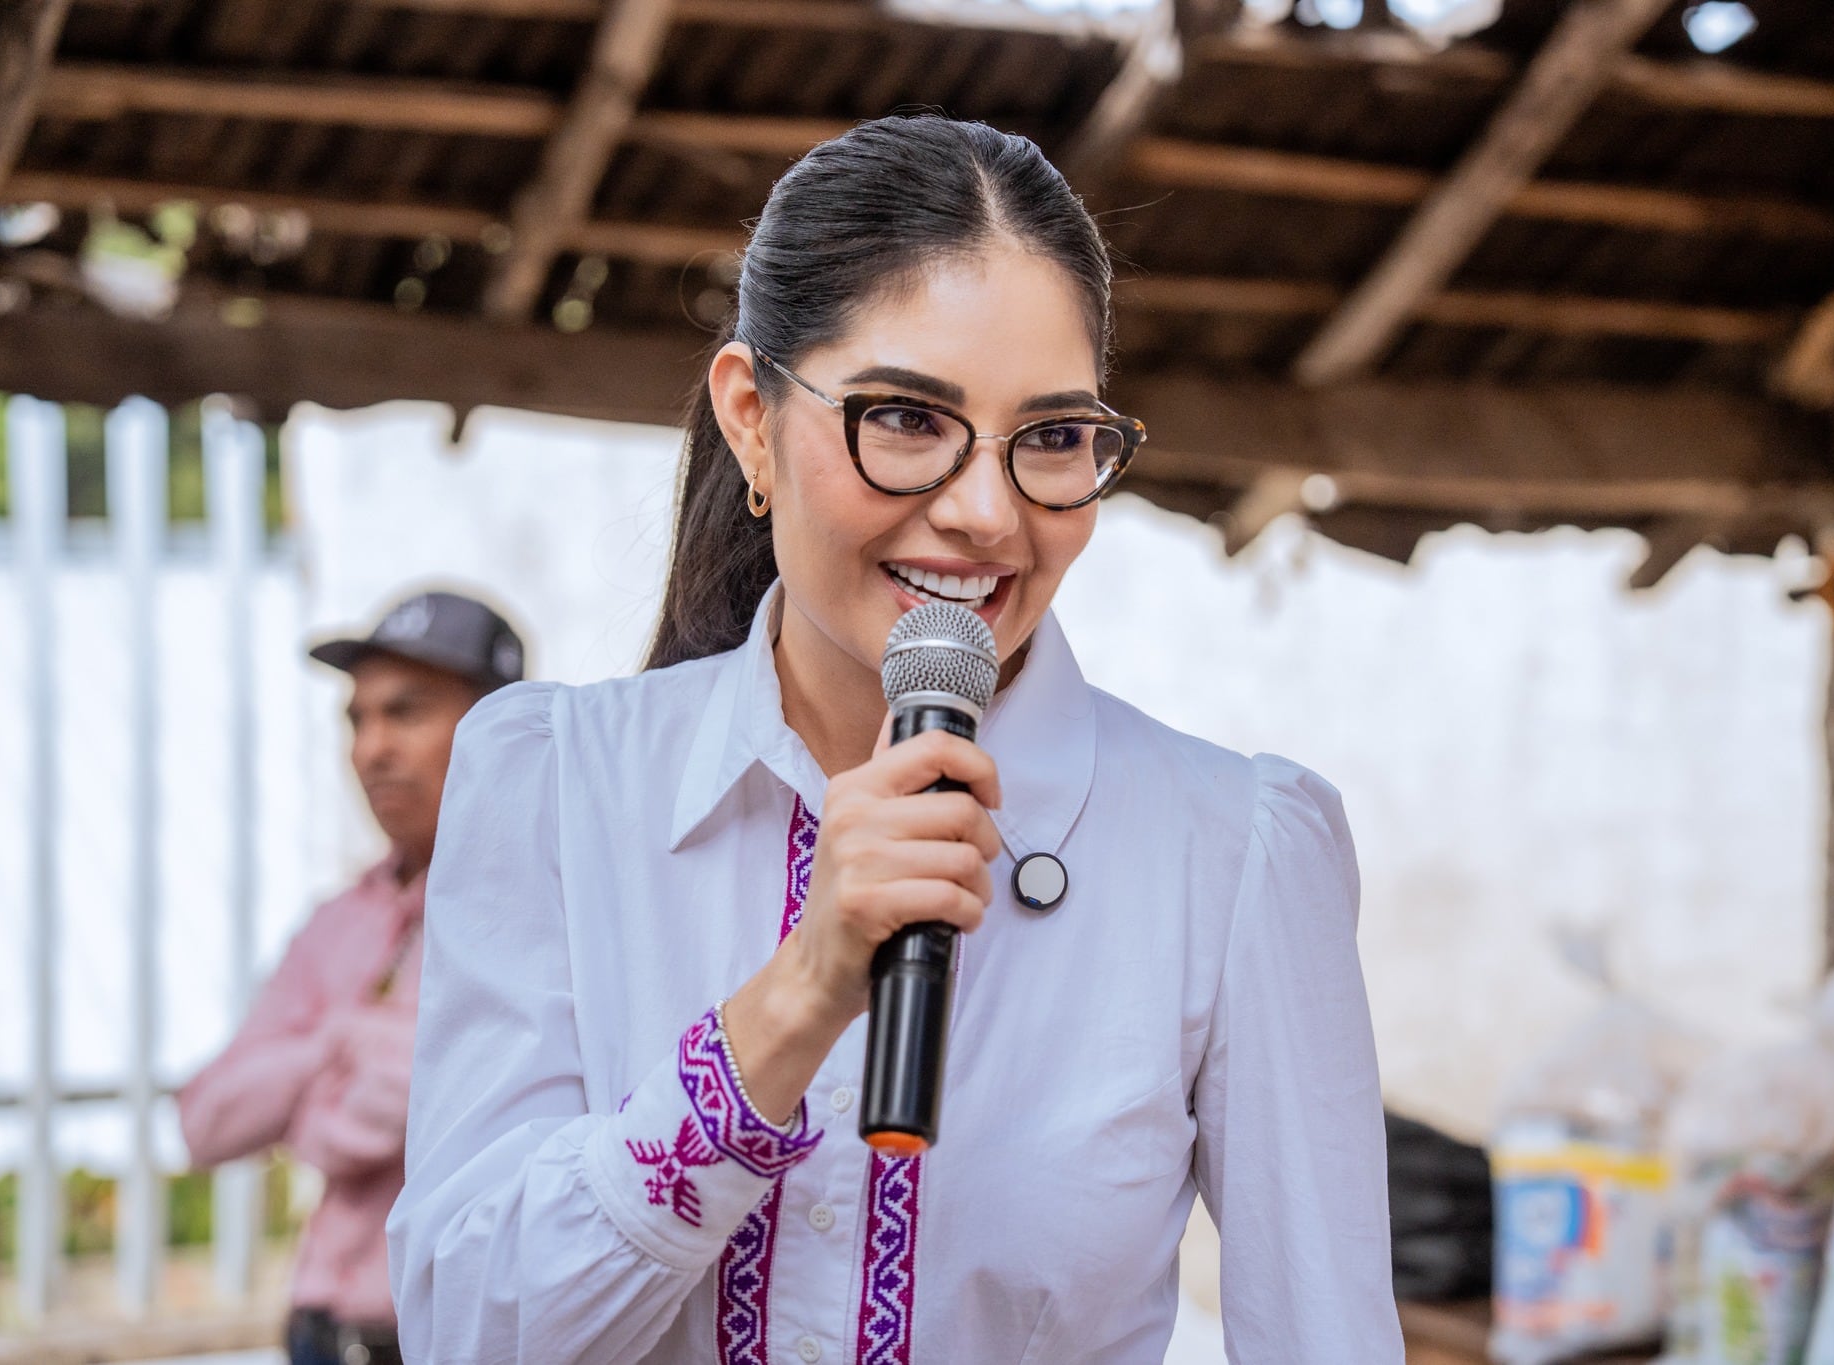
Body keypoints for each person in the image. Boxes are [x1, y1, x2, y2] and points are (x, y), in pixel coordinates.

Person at [388, 115, 1401, 1363]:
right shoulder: (553, 783)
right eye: (908, 420)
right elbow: (464, 1328)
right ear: (752, 418)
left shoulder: (1230, 851)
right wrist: (797, 997)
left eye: (1050, 438)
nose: (985, 515)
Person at [179, 590, 526, 1365]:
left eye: (405, 712)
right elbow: (205, 1117)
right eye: (356, 719)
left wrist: (313, 1069)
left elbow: (421, 1109)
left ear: (500, 726)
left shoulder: (548, 902)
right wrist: (348, 1038)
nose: (372, 748)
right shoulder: (342, 918)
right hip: (319, 1332)